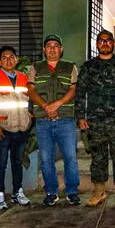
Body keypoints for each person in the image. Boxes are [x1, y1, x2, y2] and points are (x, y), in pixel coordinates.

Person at [76, 30, 115, 207]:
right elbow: (80, 93)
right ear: (96, 44)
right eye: (101, 41)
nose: (105, 43)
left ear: (113, 44)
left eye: (108, 41)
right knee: (98, 157)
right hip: (95, 120)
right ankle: (99, 191)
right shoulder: (88, 67)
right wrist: (81, 116)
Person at [27, 34, 81, 206]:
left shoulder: (70, 67)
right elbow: (31, 90)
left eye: (55, 46)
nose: (52, 49)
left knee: (70, 157)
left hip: (65, 120)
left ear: (61, 49)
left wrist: (57, 104)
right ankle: (51, 191)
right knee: (46, 158)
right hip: (43, 121)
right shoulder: (35, 67)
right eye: (48, 46)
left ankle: (72, 191)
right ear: (44, 50)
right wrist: (46, 106)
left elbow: (73, 90)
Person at [0, 46, 32, 210]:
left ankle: (18, 192)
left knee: (17, 162)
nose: (8, 60)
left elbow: (31, 99)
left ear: (16, 59)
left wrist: (30, 118)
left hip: (21, 128)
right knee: (0, 164)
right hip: (3, 129)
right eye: (4, 57)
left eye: (11, 57)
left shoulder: (24, 78)